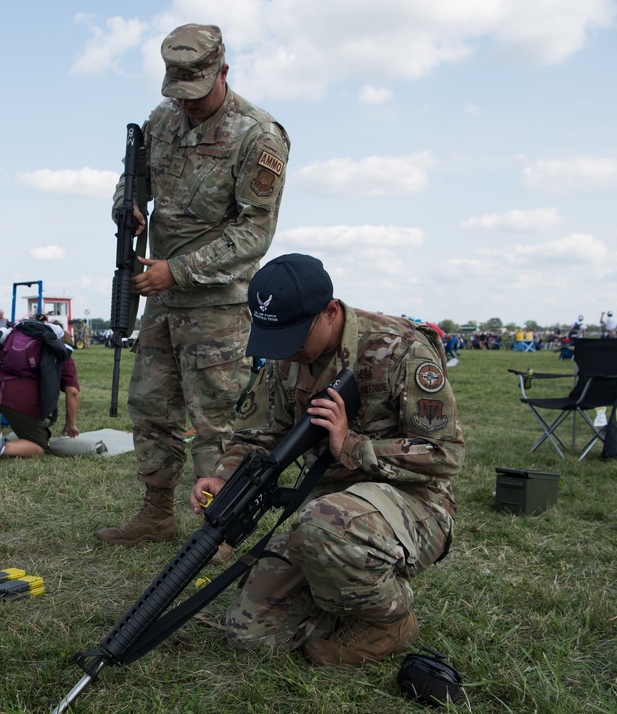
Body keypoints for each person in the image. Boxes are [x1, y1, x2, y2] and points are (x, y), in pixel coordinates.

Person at [189, 254, 464, 666]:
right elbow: (256, 435)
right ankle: (338, 592)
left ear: (331, 311)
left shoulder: (401, 349)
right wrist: (225, 477)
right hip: (323, 511)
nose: (287, 352)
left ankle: (389, 619)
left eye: (296, 337)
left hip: (414, 504)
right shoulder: (287, 357)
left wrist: (351, 445)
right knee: (250, 632)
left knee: (324, 525)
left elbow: (446, 454)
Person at [97, 23, 291, 549]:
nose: (186, 104)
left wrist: (177, 270)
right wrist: (127, 206)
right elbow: (133, 179)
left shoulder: (259, 135)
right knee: (152, 408)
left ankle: (221, 528)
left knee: (217, 421)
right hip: (160, 297)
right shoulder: (161, 120)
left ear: (222, 73)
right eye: (177, 92)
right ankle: (157, 514)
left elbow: (255, 232)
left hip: (218, 304)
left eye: (196, 92)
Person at [0, 319, 80, 461]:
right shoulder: (62, 354)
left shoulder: (14, 339)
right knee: (39, 446)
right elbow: (73, 393)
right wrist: (70, 423)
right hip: (19, 398)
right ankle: (0, 447)